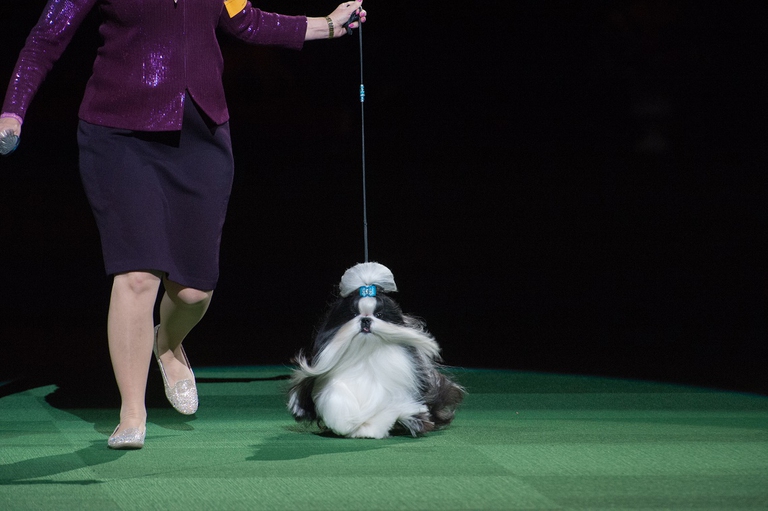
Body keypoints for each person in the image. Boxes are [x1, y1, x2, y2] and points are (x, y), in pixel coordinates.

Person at [0, 0, 366, 450]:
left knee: (194, 292)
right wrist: (13, 109)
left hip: (201, 137)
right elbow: (46, 36)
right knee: (137, 274)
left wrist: (328, 25)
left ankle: (168, 345)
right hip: (119, 135)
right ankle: (132, 413)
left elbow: (245, 20)